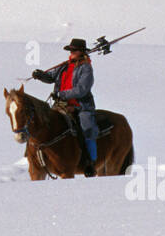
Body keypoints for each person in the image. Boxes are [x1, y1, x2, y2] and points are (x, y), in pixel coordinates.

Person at [32, 38, 108, 174]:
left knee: (87, 127)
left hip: (80, 106)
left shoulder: (86, 68)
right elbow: (51, 78)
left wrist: (62, 94)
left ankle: (90, 162)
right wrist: (41, 76)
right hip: (61, 104)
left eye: (75, 50)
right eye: (71, 50)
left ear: (82, 52)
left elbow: (82, 89)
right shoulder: (65, 66)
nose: (72, 52)